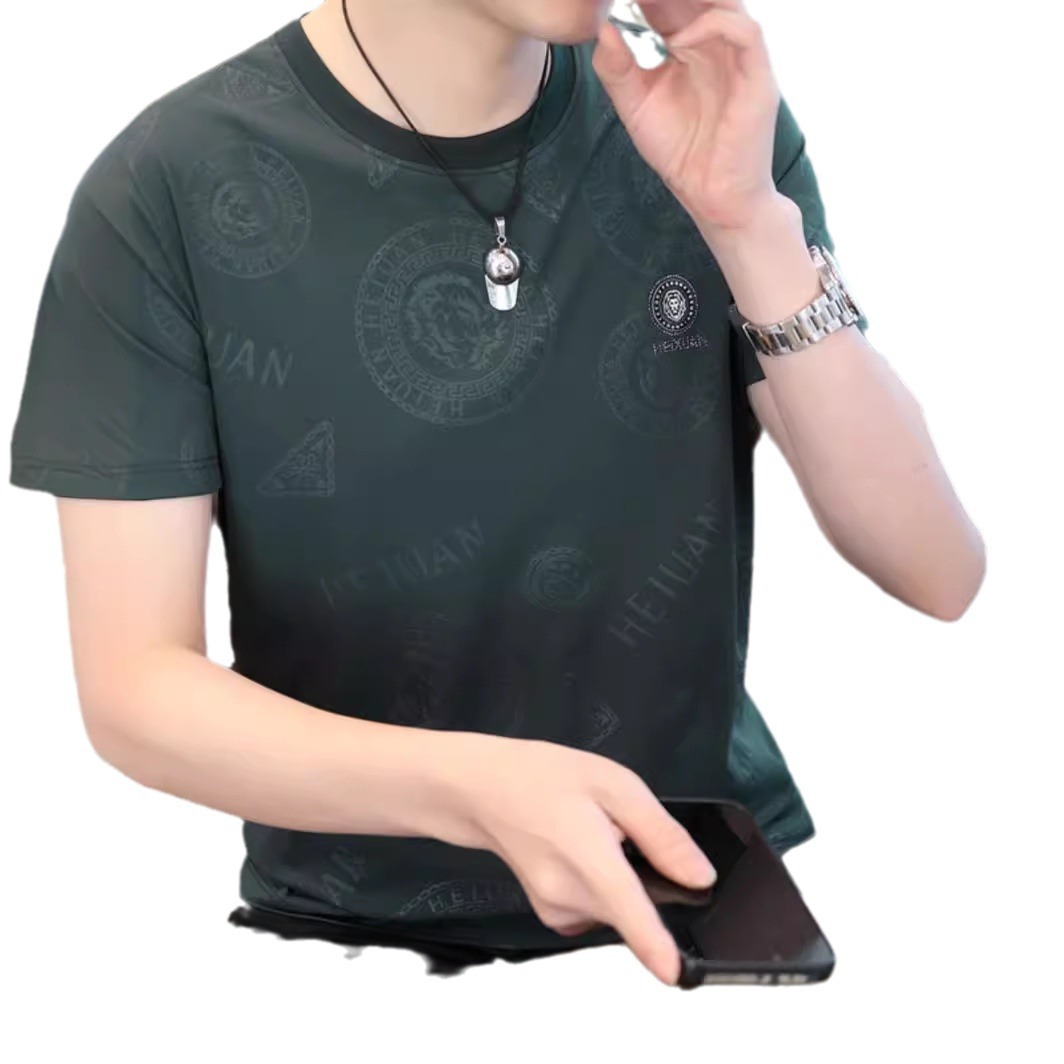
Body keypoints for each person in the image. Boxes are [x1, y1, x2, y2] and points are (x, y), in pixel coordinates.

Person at [8, 0, 985, 987]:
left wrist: (749, 226)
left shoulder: (698, 114)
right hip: (346, 953)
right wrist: (478, 790)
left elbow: (935, 568)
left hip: (695, 914)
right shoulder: (168, 184)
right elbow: (135, 686)